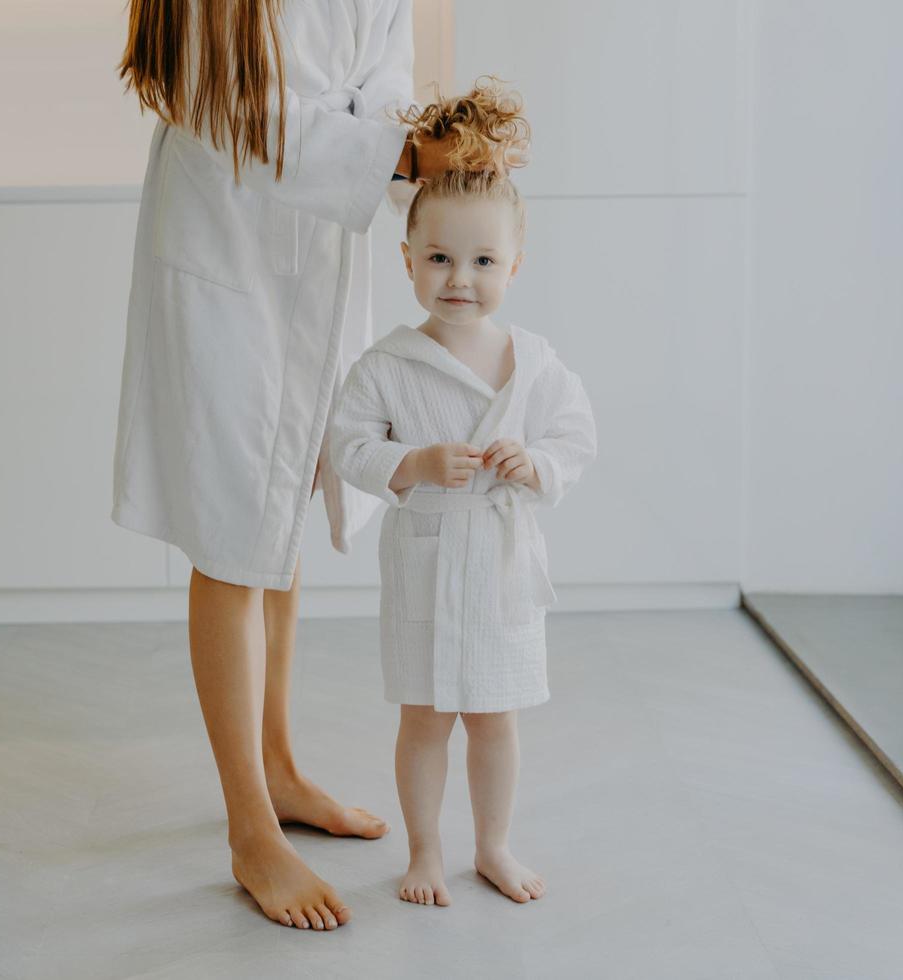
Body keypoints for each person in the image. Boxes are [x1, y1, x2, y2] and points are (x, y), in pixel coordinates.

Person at [112, 0, 498, 931]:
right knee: (230, 532)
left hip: (317, 262)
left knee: (278, 520)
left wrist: (439, 163)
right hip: (224, 257)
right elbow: (233, 105)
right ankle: (251, 829)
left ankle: (279, 770)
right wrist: (401, 159)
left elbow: (387, 92)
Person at [330, 95, 598, 907]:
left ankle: (493, 845)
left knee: (495, 719)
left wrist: (536, 462)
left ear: (514, 266)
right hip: (426, 565)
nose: (460, 279)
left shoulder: (536, 361)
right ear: (407, 258)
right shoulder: (388, 363)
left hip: (501, 570)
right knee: (423, 719)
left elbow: (576, 439)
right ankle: (421, 854)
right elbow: (346, 445)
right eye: (440, 259)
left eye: (483, 262)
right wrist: (412, 460)